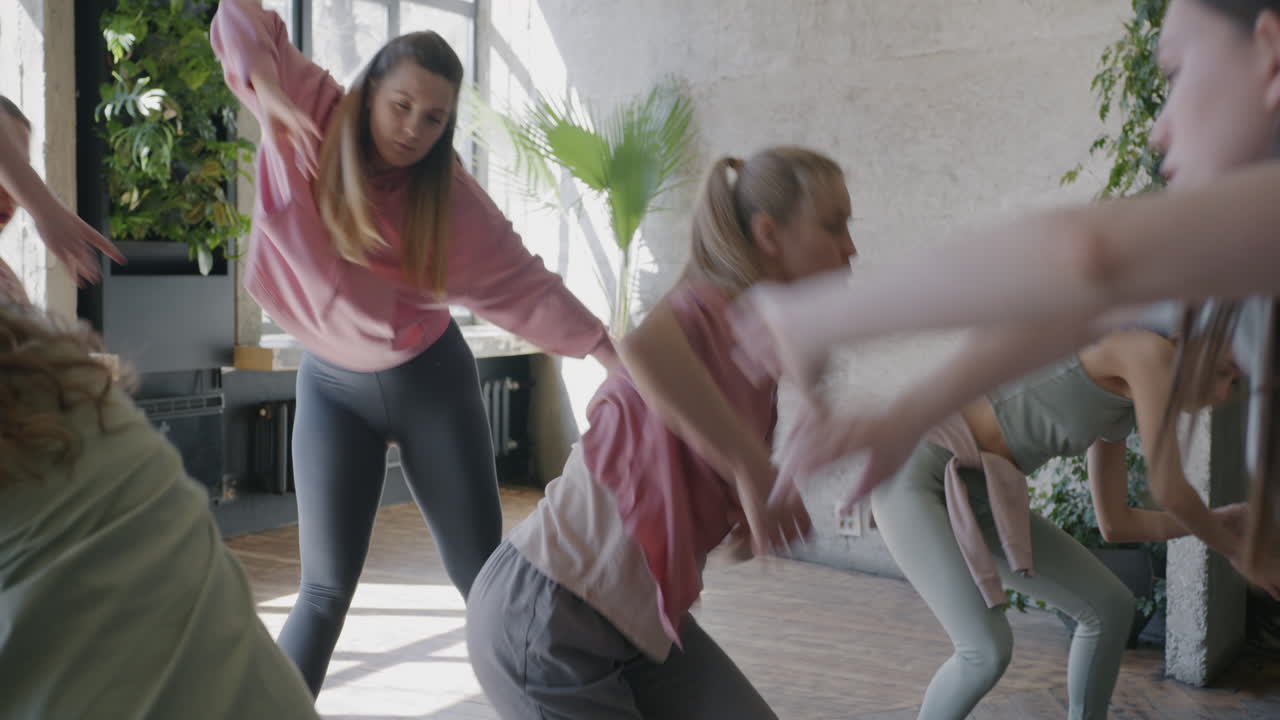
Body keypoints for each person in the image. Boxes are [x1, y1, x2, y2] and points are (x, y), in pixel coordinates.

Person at [729, 0, 1280, 592]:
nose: (1157, 127)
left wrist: (824, 314)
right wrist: (907, 415)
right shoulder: (1221, 269)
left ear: (1270, 52)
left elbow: (1088, 258)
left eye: (1175, 72)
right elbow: (1081, 303)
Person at [210, 0, 618, 695]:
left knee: (483, 580)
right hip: (331, 388)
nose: (413, 129)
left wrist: (614, 356)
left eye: (434, 118)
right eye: (401, 105)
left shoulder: (449, 196)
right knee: (322, 590)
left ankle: (556, 708)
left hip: (430, 382)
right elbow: (244, 16)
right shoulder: (312, 109)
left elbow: (525, 285)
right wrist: (266, 93)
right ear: (370, 89)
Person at [466, 148, 855, 719]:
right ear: (769, 234)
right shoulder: (703, 308)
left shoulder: (752, 353)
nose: (851, 246)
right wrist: (750, 467)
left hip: (636, 626)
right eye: (834, 224)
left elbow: (686, 470)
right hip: (547, 618)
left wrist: (743, 510)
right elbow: (643, 350)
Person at [0, 96, 124, 303]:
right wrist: (46, 209)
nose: (11, 192)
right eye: (10, 172)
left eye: (23, 169)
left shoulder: (7, 283)